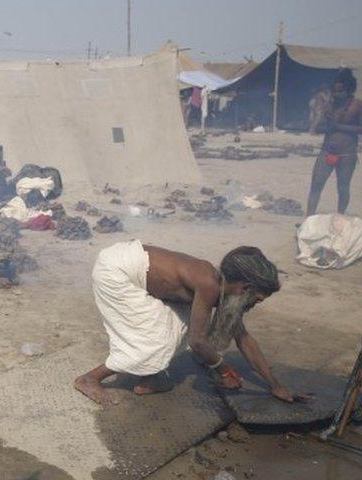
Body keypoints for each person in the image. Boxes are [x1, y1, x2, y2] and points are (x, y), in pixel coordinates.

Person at [74, 242, 309, 407]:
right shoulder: (209, 285)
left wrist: (275, 385)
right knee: (151, 342)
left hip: (131, 268)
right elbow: (198, 343)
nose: (255, 305)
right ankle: (90, 379)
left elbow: (243, 338)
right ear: (245, 288)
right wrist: (223, 369)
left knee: (181, 326)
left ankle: (149, 377)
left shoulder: (226, 288)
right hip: (116, 272)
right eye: (257, 299)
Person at [307, 69, 361, 216]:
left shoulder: (357, 105)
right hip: (327, 151)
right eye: (335, 91)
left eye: (341, 91)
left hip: (347, 154)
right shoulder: (329, 104)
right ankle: (308, 218)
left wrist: (339, 126)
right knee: (316, 185)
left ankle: (340, 217)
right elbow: (318, 127)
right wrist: (323, 123)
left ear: (349, 89)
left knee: (343, 188)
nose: (337, 94)